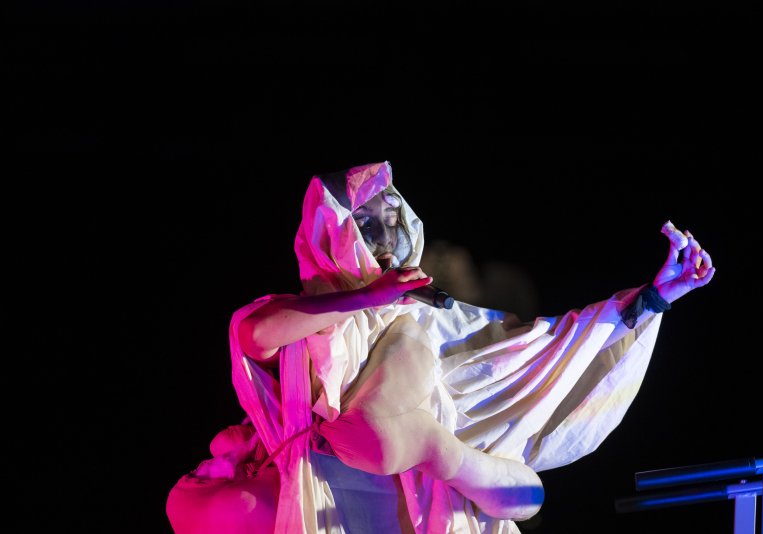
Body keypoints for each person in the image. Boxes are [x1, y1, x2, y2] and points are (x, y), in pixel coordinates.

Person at [166, 160, 715, 533]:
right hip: (326, 497)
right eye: (365, 221)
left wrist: (653, 299)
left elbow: (545, 349)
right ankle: (415, 442)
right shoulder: (307, 320)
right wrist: (363, 300)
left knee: (516, 487)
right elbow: (252, 333)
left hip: (417, 497)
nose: (383, 229)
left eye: (388, 215)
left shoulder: (432, 318)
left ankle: (424, 442)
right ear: (332, 232)